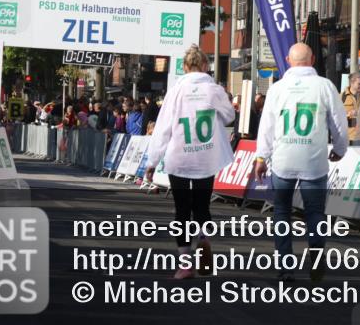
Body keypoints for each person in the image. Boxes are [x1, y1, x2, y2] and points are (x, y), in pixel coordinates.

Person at [253, 43, 347, 282]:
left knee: (282, 214)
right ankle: (315, 256)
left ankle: (286, 267)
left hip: (283, 160)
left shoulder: (277, 89)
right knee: (315, 213)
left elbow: (267, 127)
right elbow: (339, 121)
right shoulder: (325, 86)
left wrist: (261, 157)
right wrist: (339, 148)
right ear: (313, 59)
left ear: (287, 59)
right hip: (313, 161)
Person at [145, 45, 234, 279]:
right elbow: (229, 116)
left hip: (180, 157)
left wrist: (152, 161)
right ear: (206, 65)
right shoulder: (214, 90)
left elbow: (163, 128)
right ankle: (204, 238)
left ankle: (185, 264)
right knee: (202, 206)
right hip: (206, 156)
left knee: (182, 210)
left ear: (185, 67)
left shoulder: (176, 91)